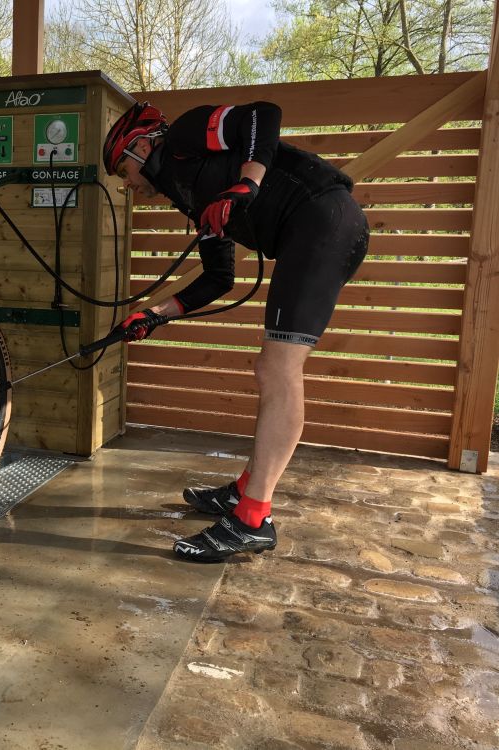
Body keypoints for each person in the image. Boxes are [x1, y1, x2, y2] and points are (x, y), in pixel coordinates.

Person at [103, 100, 368, 562]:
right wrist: (155, 313)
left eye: (122, 169)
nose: (125, 183)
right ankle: (245, 490)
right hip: (308, 232)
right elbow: (218, 278)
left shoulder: (185, 139)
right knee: (272, 368)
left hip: (323, 219)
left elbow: (263, 114)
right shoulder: (193, 197)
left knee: (277, 368)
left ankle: (253, 518)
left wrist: (249, 181)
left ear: (142, 147)